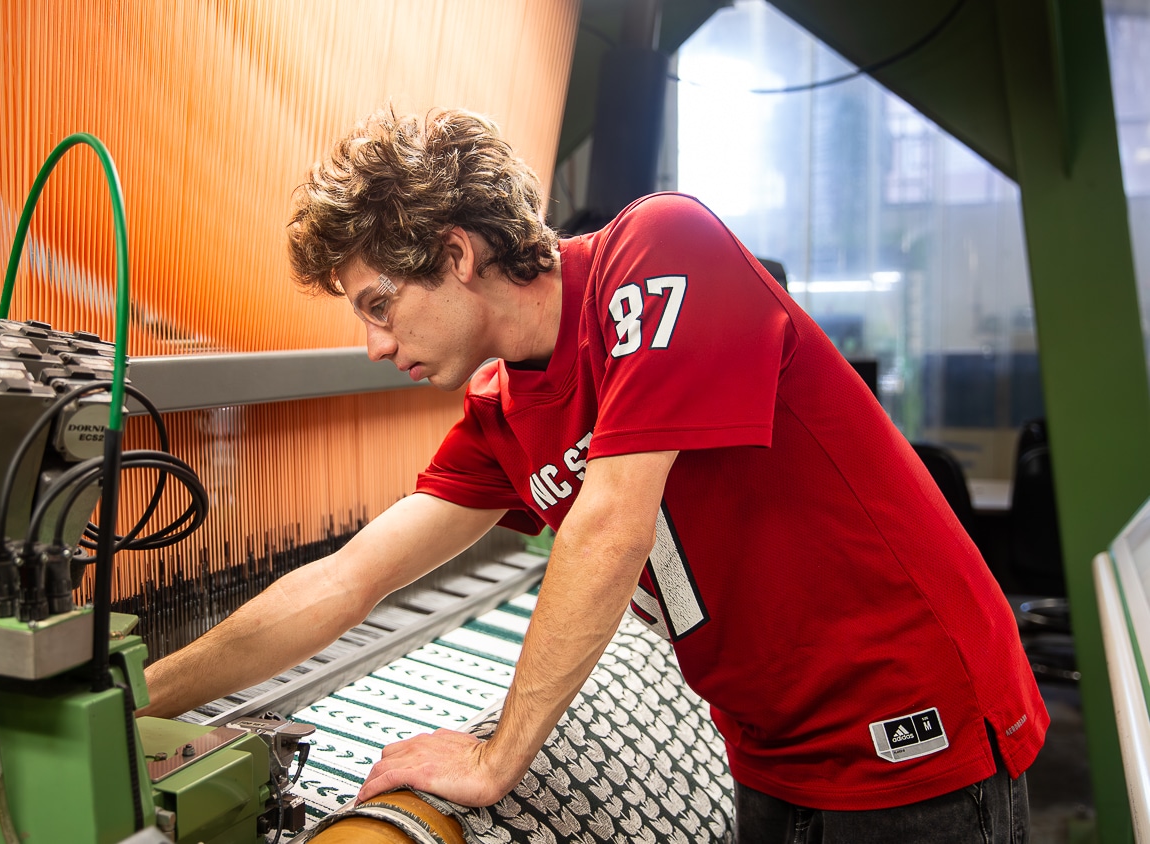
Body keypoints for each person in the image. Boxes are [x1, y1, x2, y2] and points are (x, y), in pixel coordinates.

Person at [142, 106, 1046, 842]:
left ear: (456, 256)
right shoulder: (504, 409)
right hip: (773, 747)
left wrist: (498, 759)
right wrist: (133, 697)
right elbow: (349, 578)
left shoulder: (659, 253)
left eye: (381, 305)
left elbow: (610, 523)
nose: (375, 344)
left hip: (910, 728)